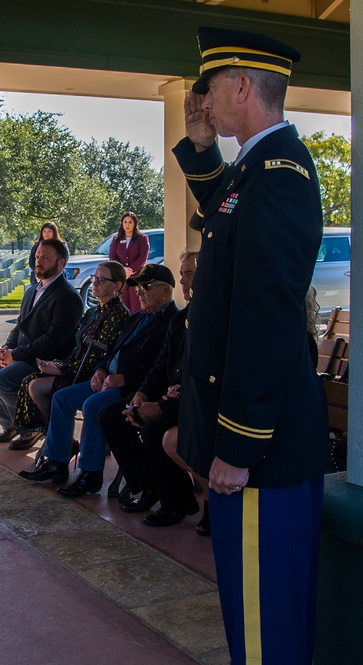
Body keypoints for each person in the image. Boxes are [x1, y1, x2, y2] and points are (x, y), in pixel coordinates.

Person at [173, 27, 327, 664]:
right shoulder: (257, 168)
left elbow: (264, 318)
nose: (201, 100)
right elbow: (227, 213)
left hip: (261, 454)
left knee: (266, 635)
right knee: (250, 621)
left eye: (208, 88)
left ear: (241, 85)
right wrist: (202, 149)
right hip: (251, 448)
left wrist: (236, 446)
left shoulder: (280, 173)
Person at [21, 264, 177, 497]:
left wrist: (123, 378)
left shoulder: (170, 322)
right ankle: (56, 463)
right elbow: (111, 351)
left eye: (145, 287)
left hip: (133, 388)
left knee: (94, 405)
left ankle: (90, 474)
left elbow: (160, 365)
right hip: (107, 380)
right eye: (138, 288)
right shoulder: (137, 319)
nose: (139, 292)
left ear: (165, 291)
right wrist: (101, 370)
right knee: (62, 398)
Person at [99, 253, 198, 526]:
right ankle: (147, 485)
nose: (140, 292)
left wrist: (156, 402)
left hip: (188, 400)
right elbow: (160, 366)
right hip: (163, 392)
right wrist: (141, 395)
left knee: (153, 429)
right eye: (183, 273)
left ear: (165, 291)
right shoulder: (171, 320)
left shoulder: (174, 318)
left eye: (189, 273)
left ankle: (177, 500)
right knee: (114, 415)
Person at [0, 238, 82, 444]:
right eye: (37, 257)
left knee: (1, 380)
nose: (39, 262)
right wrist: (6, 349)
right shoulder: (32, 291)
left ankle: (32, 428)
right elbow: (20, 326)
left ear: (61, 263)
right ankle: (11, 424)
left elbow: (54, 339)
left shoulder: (67, 296)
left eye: (45, 258)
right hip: (21, 354)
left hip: (44, 361)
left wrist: (16, 354)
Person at [8, 261, 130, 451]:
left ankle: (59, 443)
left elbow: (98, 354)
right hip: (77, 366)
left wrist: (63, 368)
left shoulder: (118, 314)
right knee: (29, 382)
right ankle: (60, 440)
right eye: (94, 278)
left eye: (101, 279)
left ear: (117, 285)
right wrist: (57, 364)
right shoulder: (92, 312)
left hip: (93, 373)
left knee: (36, 387)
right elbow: (77, 346)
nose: (95, 283)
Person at [108, 211, 149, 314]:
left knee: (136, 306)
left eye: (130, 222)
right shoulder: (116, 239)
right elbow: (112, 257)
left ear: (135, 223)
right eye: (125, 222)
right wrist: (122, 270)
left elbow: (142, 257)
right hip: (121, 277)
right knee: (123, 305)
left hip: (136, 277)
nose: (127, 225)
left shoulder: (142, 238)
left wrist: (131, 270)